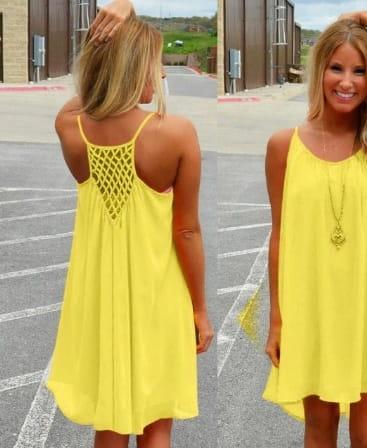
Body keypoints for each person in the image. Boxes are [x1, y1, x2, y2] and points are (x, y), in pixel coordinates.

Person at [45, 9, 213, 448]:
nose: (162, 73)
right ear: (133, 67)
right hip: (160, 295)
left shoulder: (71, 127)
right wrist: (199, 309)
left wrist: (105, 44)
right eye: (155, 63)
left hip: (102, 301)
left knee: (111, 421)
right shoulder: (176, 133)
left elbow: (81, 98)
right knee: (157, 423)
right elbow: (187, 231)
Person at [262, 11, 367, 448]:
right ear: (320, 70)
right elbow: (279, 236)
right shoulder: (283, 147)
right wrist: (277, 320)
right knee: (319, 430)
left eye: (360, 71)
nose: (347, 82)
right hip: (313, 311)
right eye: (336, 67)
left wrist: (364, 17)